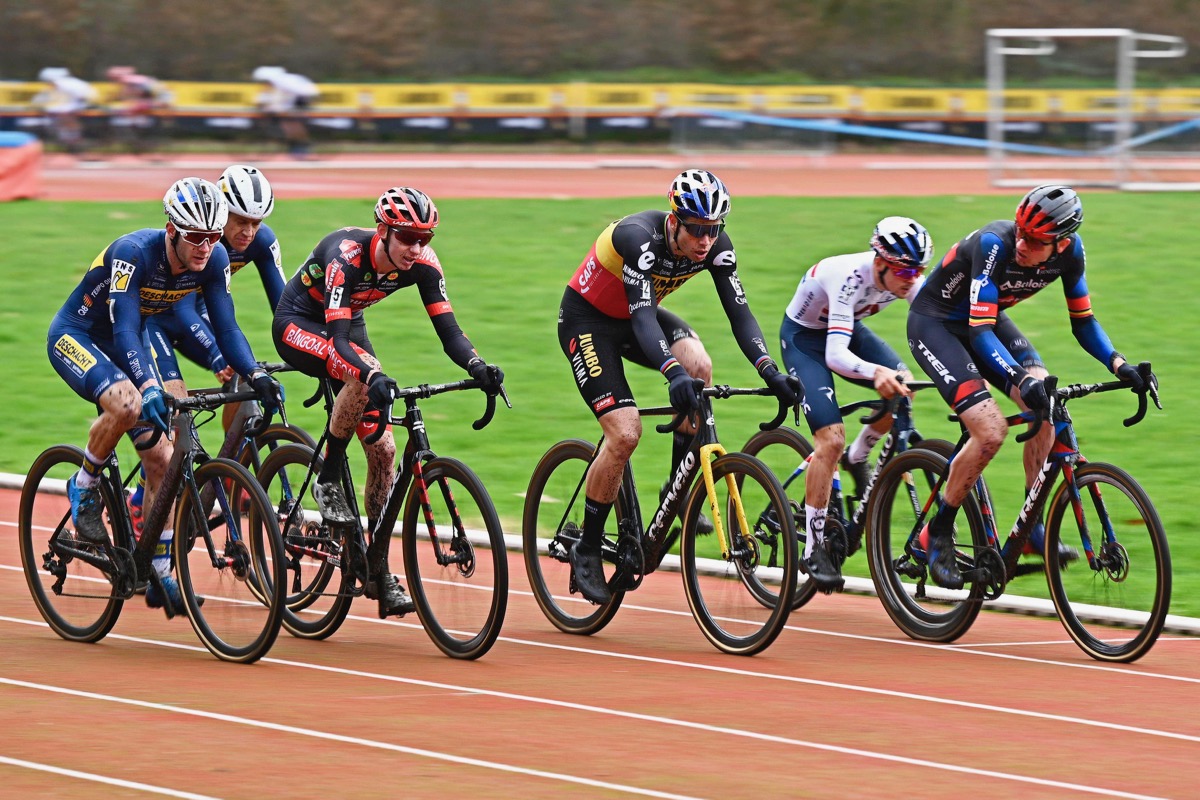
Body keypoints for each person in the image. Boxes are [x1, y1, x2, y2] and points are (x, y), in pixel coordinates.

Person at [557, 168, 799, 605]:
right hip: (589, 322)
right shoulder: (638, 238)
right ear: (675, 221)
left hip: (635, 321)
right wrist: (671, 373)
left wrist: (770, 371)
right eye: (697, 230)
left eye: (714, 229)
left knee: (701, 366)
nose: (706, 240)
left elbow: (740, 316)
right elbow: (644, 318)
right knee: (626, 431)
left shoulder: (716, 248)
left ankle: (677, 490)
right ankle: (588, 546)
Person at [46, 177, 285, 613]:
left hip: (125, 344)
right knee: (128, 402)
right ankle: (84, 485)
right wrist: (150, 384)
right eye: (195, 236)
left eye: (213, 237)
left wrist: (254, 373)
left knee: (165, 459)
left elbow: (227, 327)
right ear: (172, 229)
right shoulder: (133, 253)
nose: (205, 246)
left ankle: (159, 564)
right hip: (79, 336)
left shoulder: (211, 262)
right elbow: (126, 328)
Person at [272, 186, 505, 618]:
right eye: (407, 238)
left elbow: (450, 333)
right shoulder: (346, 256)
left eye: (425, 239)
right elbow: (339, 343)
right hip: (300, 324)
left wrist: (478, 366)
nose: (416, 248)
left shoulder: (423, 265)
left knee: (383, 450)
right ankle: (326, 478)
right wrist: (371, 375)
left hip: (348, 322)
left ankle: (376, 566)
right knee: (364, 374)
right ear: (382, 231)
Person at [907, 185, 1151, 589]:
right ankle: (938, 530)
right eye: (1020, 231)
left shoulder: (1072, 254)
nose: (1021, 243)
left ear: (1062, 243)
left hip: (984, 320)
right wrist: (1019, 379)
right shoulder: (993, 244)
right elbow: (979, 330)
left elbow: (1084, 322)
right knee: (990, 430)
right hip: (936, 325)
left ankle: (1032, 528)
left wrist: (1119, 363)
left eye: (1034, 240)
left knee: (1049, 404)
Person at [779, 216, 933, 593]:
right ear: (880, 262)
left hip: (847, 331)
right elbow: (835, 355)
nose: (913, 278)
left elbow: (937, 326)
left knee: (903, 388)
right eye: (905, 270)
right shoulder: (847, 276)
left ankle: (858, 456)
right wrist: (877, 371)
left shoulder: (908, 280)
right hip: (806, 342)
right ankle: (815, 549)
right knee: (830, 440)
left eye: (920, 270)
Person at [131, 165, 286, 529]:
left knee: (247, 382)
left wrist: (306, 345)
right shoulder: (202, 238)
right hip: (161, 320)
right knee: (172, 408)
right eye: (241, 220)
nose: (248, 231)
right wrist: (217, 352)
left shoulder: (261, 242)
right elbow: (182, 306)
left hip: (202, 319)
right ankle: (144, 491)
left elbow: (284, 305)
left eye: (257, 222)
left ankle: (230, 467)